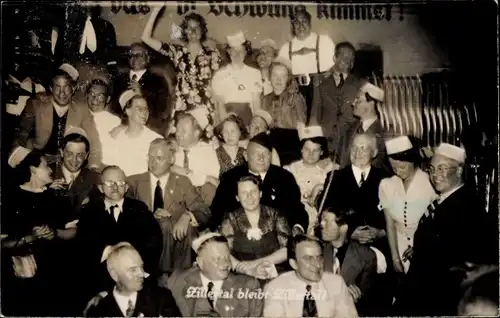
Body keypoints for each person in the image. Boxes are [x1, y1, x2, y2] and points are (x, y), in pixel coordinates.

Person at [395, 143, 496, 316]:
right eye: (432, 169)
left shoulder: (465, 205)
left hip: (436, 299)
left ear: (458, 171)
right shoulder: (449, 199)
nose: (435, 175)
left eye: (442, 169)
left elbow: (454, 258)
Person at [1, 149, 75, 316]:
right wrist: (31, 237)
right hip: (22, 281)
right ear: (32, 169)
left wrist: (55, 233)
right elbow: (2, 243)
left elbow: (74, 231)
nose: (50, 170)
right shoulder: (10, 200)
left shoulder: (57, 197)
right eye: (45, 165)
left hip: (57, 281)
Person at [76, 166, 163, 303]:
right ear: (101, 188)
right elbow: (83, 246)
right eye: (110, 183)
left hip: (136, 275)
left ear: (126, 187)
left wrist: (136, 265)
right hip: (100, 276)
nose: (115, 187)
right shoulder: (89, 213)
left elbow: (154, 242)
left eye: (120, 183)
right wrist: (108, 251)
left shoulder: (139, 208)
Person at [127, 138, 211, 276]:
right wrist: (149, 216)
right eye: (151, 157)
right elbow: (125, 211)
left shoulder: (183, 182)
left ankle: (183, 278)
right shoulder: (133, 182)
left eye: (159, 158)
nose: (153, 162)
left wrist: (187, 216)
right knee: (163, 224)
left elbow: (203, 210)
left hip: (177, 248)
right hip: (144, 244)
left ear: (171, 159)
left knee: (187, 226)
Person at [142, 6, 221, 137]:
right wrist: (156, 10)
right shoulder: (176, 51)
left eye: (197, 27)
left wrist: (218, 113)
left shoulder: (213, 54)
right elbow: (145, 38)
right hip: (182, 108)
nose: (193, 31)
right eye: (189, 27)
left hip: (206, 110)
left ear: (202, 31)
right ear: (184, 31)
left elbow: (218, 86)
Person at [210, 132, 308, 234]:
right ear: (246, 156)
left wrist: (297, 228)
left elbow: (296, 209)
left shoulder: (284, 177)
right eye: (256, 153)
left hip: (276, 235)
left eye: (266, 154)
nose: (261, 158)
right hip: (239, 235)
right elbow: (218, 209)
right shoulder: (231, 177)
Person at [12, 63, 102, 169]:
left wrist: (94, 167)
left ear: (73, 88)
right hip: (37, 158)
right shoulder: (36, 104)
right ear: (50, 88)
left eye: (66, 87)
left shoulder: (82, 109)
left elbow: (94, 141)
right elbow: (22, 133)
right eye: (57, 87)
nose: (61, 93)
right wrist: (17, 159)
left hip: (67, 163)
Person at [318, 133, 390, 260]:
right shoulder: (335, 177)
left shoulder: (385, 178)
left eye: (363, 148)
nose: (358, 152)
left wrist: (381, 232)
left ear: (374, 153)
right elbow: (325, 212)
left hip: (378, 246)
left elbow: (393, 214)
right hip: (343, 244)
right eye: (354, 147)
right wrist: (349, 231)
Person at [167, 232, 264, 317]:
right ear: (200, 262)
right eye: (217, 259)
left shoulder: (249, 287)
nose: (225, 263)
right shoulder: (177, 280)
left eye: (227, 258)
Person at [379, 136, 436, 274]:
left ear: (413, 160)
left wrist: (420, 247)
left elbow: (436, 224)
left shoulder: (430, 182)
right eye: (394, 167)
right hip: (396, 244)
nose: (398, 171)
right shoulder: (387, 185)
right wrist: (395, 259)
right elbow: (390, 225)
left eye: (402, 166)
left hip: (425, 245)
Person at [263, 235, 358, 317]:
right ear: (294, 264)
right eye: (308, 259)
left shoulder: (336, 283)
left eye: (319, 257)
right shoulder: (275, 288)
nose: (317, 265)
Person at [318, 208, 388, 316]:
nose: (321, 224)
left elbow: (368, 302)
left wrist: (356, 299)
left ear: (343, 228)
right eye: (322, 220)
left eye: (326, 221)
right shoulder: (316, 251)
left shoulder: (367, 257)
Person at [220, 175, 291, 279]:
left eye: (253, 191)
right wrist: (246, 269)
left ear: (260, 194)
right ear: (237, 198)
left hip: (276, 272)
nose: (249, 196)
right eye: (244, 193)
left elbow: (287, 249)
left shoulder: (275, 214)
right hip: (243, 275)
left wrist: (255, 263)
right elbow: (223, 250)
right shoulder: (230, 219)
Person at [85, 242, 181, 317]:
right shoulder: (98, 310)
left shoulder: (161, 300)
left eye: (141, 267)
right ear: (114, 275)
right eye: (133, 269)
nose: (141, 273)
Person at [278, 9, 335, 119]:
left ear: (310, 22)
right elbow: (280, 73)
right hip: (296, 92)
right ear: (292, 26)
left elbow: (336, 67)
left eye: (304, 21)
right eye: (296, 22)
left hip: (320, 90)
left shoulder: (324, 41)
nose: (300, 25)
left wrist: (324, 79)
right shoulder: (286, 47)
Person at [310, 42, 364, 153]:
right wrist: (313, 138)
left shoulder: (360, 83)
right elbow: (315, 111)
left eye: (351, 58)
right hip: (325, 137)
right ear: (335, 58)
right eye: (344, 56)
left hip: (350, 139)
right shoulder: (319, 80)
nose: (348, 61)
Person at [110, 43, 171, 134]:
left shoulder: (158, 81)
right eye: (132, 55)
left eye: (139, 55)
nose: (135, 58)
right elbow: (113, 108)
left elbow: (162, 111)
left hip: (148, 126)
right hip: (121, 127)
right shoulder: (119, 79)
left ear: (148, 58)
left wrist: (142, 95)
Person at [285, 125, 335, 235]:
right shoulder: (289, 170)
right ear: (301, 149)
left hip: (321, 221)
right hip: (295, 219)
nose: (310, 154)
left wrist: (319, 187)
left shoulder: (330, 170)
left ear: (322, 152)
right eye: (307, 149)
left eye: (315, 150)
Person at [101, 90, 162, 176]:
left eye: (146, 109)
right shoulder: (115, 137)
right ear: (128, 111)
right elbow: (106, 164)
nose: (144, 113)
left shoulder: (155, 139)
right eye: (140, 109)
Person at [337, 81, 390, 173]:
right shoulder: (349, 129)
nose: (353, 103)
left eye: (358, 100)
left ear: (372, 104)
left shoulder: (386, 131)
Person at [261, 57, 306, 165]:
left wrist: (304, 145)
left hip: (290, 141)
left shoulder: (295, 97)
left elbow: (301, 124)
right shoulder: (265, 98)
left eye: (283, 76)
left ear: (288, 78)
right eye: (275, 75)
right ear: (270, 77)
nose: (278, 80)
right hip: (271, 141)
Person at [212, 31, 263, 126]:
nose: (237, 54)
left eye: (241, 51)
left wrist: (256, 124)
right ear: (229, 52)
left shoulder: (255, 73)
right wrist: (225, 123)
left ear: (246, 52)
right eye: (234, 50)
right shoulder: (220, 74)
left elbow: (256, 103)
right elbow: (220, 104)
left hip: (247, 117)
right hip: (227, 116)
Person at [171, 109, 221, 205]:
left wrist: (201, 179)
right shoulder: (172, 150)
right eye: (177, 130)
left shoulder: (207, 151)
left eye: (183, 131)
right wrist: (203, 178)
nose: (178, 134)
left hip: (200, 199)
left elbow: (212, 179)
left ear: (196, 133)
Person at [85, 79, 121, 147]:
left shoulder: (115, 121)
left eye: (100, 96)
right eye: (91, 94)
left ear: (107, 99)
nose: (95, 98)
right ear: (87, 95)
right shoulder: (79, 116)